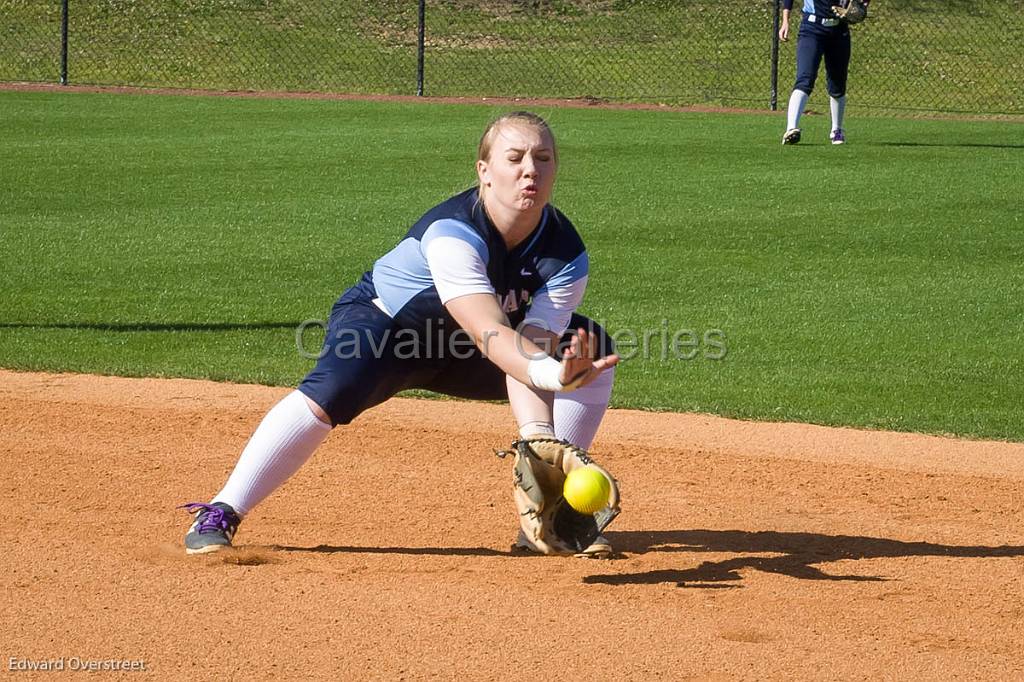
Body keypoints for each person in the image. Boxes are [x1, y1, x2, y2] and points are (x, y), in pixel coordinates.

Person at [179, 111, 620, 558]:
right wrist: (551, 376)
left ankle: (551, 517)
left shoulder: (565, 253)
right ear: (485, 173)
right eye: (515, 157)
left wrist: (540, 433)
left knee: (591, 348)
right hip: (390, 331)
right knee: (333, 389)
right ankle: (221, 510)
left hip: (473, 350)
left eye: (543, 158)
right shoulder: (454, 234)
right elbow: (491, 333)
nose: (530, 169)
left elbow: (531, 345)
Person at [779, 0, 871, 145]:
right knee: (805, 78)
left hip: (839, 31)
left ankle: (837, 130)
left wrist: (863, 6)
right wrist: (785, 21)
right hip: (812, 28)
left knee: (837, 83)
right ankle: (791, 129)